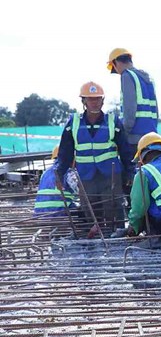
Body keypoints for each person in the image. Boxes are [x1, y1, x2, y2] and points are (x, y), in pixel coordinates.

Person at [57, 82, 133, 235]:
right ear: (83, 101)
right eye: (91, 99)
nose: (95, 102)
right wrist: (60, 174)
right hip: (86, 176)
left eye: (98, 99)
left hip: (110, 175)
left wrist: (130, 172)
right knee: (90, 208)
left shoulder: (113, 121)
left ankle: (116, 239)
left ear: (103, 101)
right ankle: (95, 242)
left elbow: (125, 150)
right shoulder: (73, 123)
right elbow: (65, 152)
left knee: (113, 207)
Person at [107, 48, 159, 155]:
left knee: (133, 170)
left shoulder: (127, 76)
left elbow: (129, 110)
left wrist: (122, 134)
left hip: (135, 139)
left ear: (116, 62)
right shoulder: (147, 78)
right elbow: (156, 111)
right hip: (152, 137)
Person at [34, 145, 76, 216]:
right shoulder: (69, 173)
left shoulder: (45, 173)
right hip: (59, 213)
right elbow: (83, 192)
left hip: (39, 215)